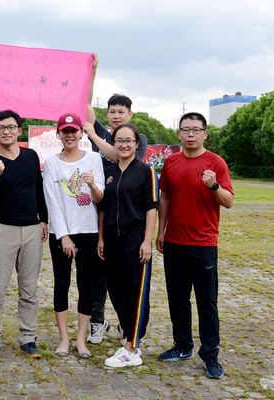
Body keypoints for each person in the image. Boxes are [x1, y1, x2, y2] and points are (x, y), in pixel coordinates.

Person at [156, 112, 234, 379]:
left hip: (203, 243)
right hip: (174, 241)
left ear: (205, 134)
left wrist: (214, 186)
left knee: (206, 301)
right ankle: (183, 346)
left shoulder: (216, 162)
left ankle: (210, 355)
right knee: (177, 298)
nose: (190, 134)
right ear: (179, 133)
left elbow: (229, 201)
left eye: (196, 129)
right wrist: (161, 232)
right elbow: (165, 197)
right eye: (185, 129)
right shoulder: (171, 161)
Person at [84, 53, 149, 345]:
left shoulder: (135, 139)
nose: (115, 115)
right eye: (111, 111)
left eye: (121, 111)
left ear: (130, 115)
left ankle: (129, 328)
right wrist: (93, 71)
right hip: (99, 215)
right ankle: (98, 322)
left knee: (127, 281)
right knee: (99, 275)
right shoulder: (102, 130)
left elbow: (116, 156)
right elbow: (86, 106)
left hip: (128, 224)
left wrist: (93, 137)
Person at [0, 109, 48, 361]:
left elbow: (38, 189)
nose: (6, 131)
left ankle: (28, 337)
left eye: (10, 127)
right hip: (4, 229)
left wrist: (43, 220)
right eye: (1, 127)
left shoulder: (31, 156)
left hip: (31, 229)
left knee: (29, 289)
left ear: (19, 130)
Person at [43, 113, 104, 358]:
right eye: (65, 131)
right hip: (62, 234)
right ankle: (64, 340)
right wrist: (64, 235)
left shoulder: (94, 159)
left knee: (86, 285)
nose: (69, 135)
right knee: (62, 283)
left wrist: (92, 185)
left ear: (81, 133)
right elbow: (52, 201)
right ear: (58, 134)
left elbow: (99, 198)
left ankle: (80, 339)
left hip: (88, 231)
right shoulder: (51, 162)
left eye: (74, 131)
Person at [97, 123, 158, 368]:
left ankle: (132, 347)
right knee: (116, 291)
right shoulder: (108, 172)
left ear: (136, 144)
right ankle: (128, 334)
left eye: (128, 141)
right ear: (113, 143)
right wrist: (101, 238)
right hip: (112, 239)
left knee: (136, 293)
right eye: (119, 140)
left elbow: (152, 208)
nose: (123, 145)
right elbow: (103, 209)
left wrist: (147, 241)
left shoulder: (146, 172)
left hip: (136, 240)